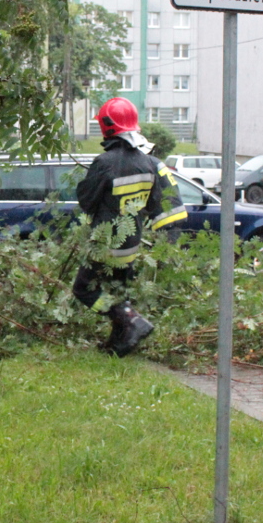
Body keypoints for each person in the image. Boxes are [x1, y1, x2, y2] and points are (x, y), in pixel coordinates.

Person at [73, 97, 186, 356]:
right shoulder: (148, 163)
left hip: (105, 245)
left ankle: (130, 319)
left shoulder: (105, 162)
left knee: (83, 289)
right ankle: (119, 342)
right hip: (131, 244)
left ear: (106, 126)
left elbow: (87, 202)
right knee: (116, 290)